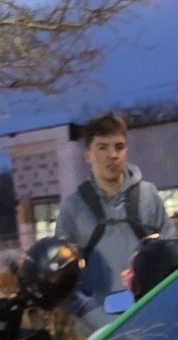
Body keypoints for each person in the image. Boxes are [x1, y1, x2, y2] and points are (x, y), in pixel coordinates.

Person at [54, 113, 168, 318]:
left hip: (151, 315)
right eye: (102, 147)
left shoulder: (149, 196)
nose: (113, 155)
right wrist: (92, 316)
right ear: (88, 154)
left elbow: (170, 253)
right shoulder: (72, 208)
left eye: (119, 147)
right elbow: (63, 277)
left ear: (126, 152)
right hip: (98, 326)